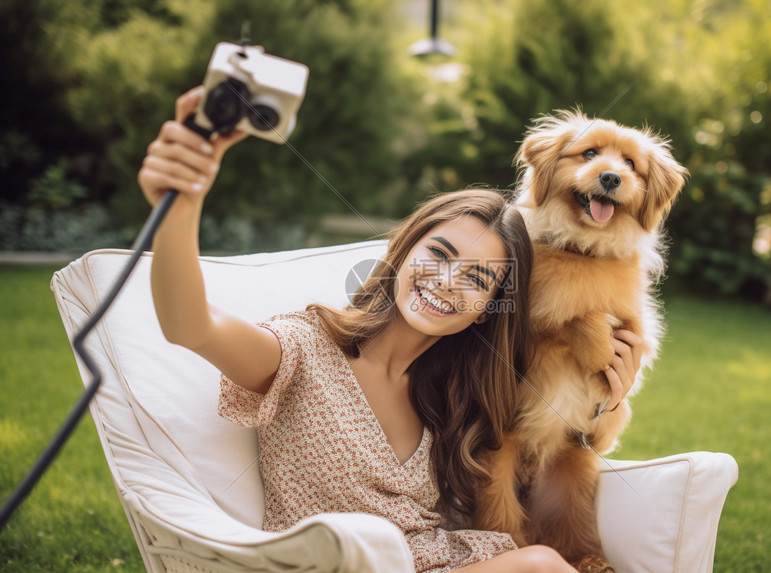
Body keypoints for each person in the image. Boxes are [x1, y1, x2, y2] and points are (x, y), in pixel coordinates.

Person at [138, 87, 643, 573]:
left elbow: (549, 456)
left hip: (446, 561)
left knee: (543, 564)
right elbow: (190, 325)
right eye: (439, 255)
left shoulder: (460, 390)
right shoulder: (306, 348)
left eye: (478, 279)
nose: (447, 283)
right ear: (402, 252)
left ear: (488, 309)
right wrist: (179, 208)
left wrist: (604, 398)